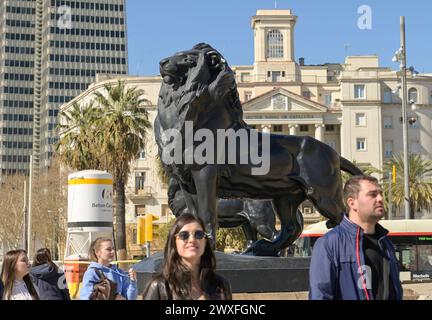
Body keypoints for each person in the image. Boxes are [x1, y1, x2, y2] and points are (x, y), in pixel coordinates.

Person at [309, 175, 403, 300]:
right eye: (372, 194)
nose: (380, 199)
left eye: (381, 194)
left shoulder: (386, 243)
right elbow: (320, 295)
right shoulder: (329, 243)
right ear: (352, 203)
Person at [142, 213, 232, 300]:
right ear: (174, 243)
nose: (192, 240)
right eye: (184, 235)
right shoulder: (159, 286)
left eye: (198, 234)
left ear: (205, 242)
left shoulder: (221, 285)